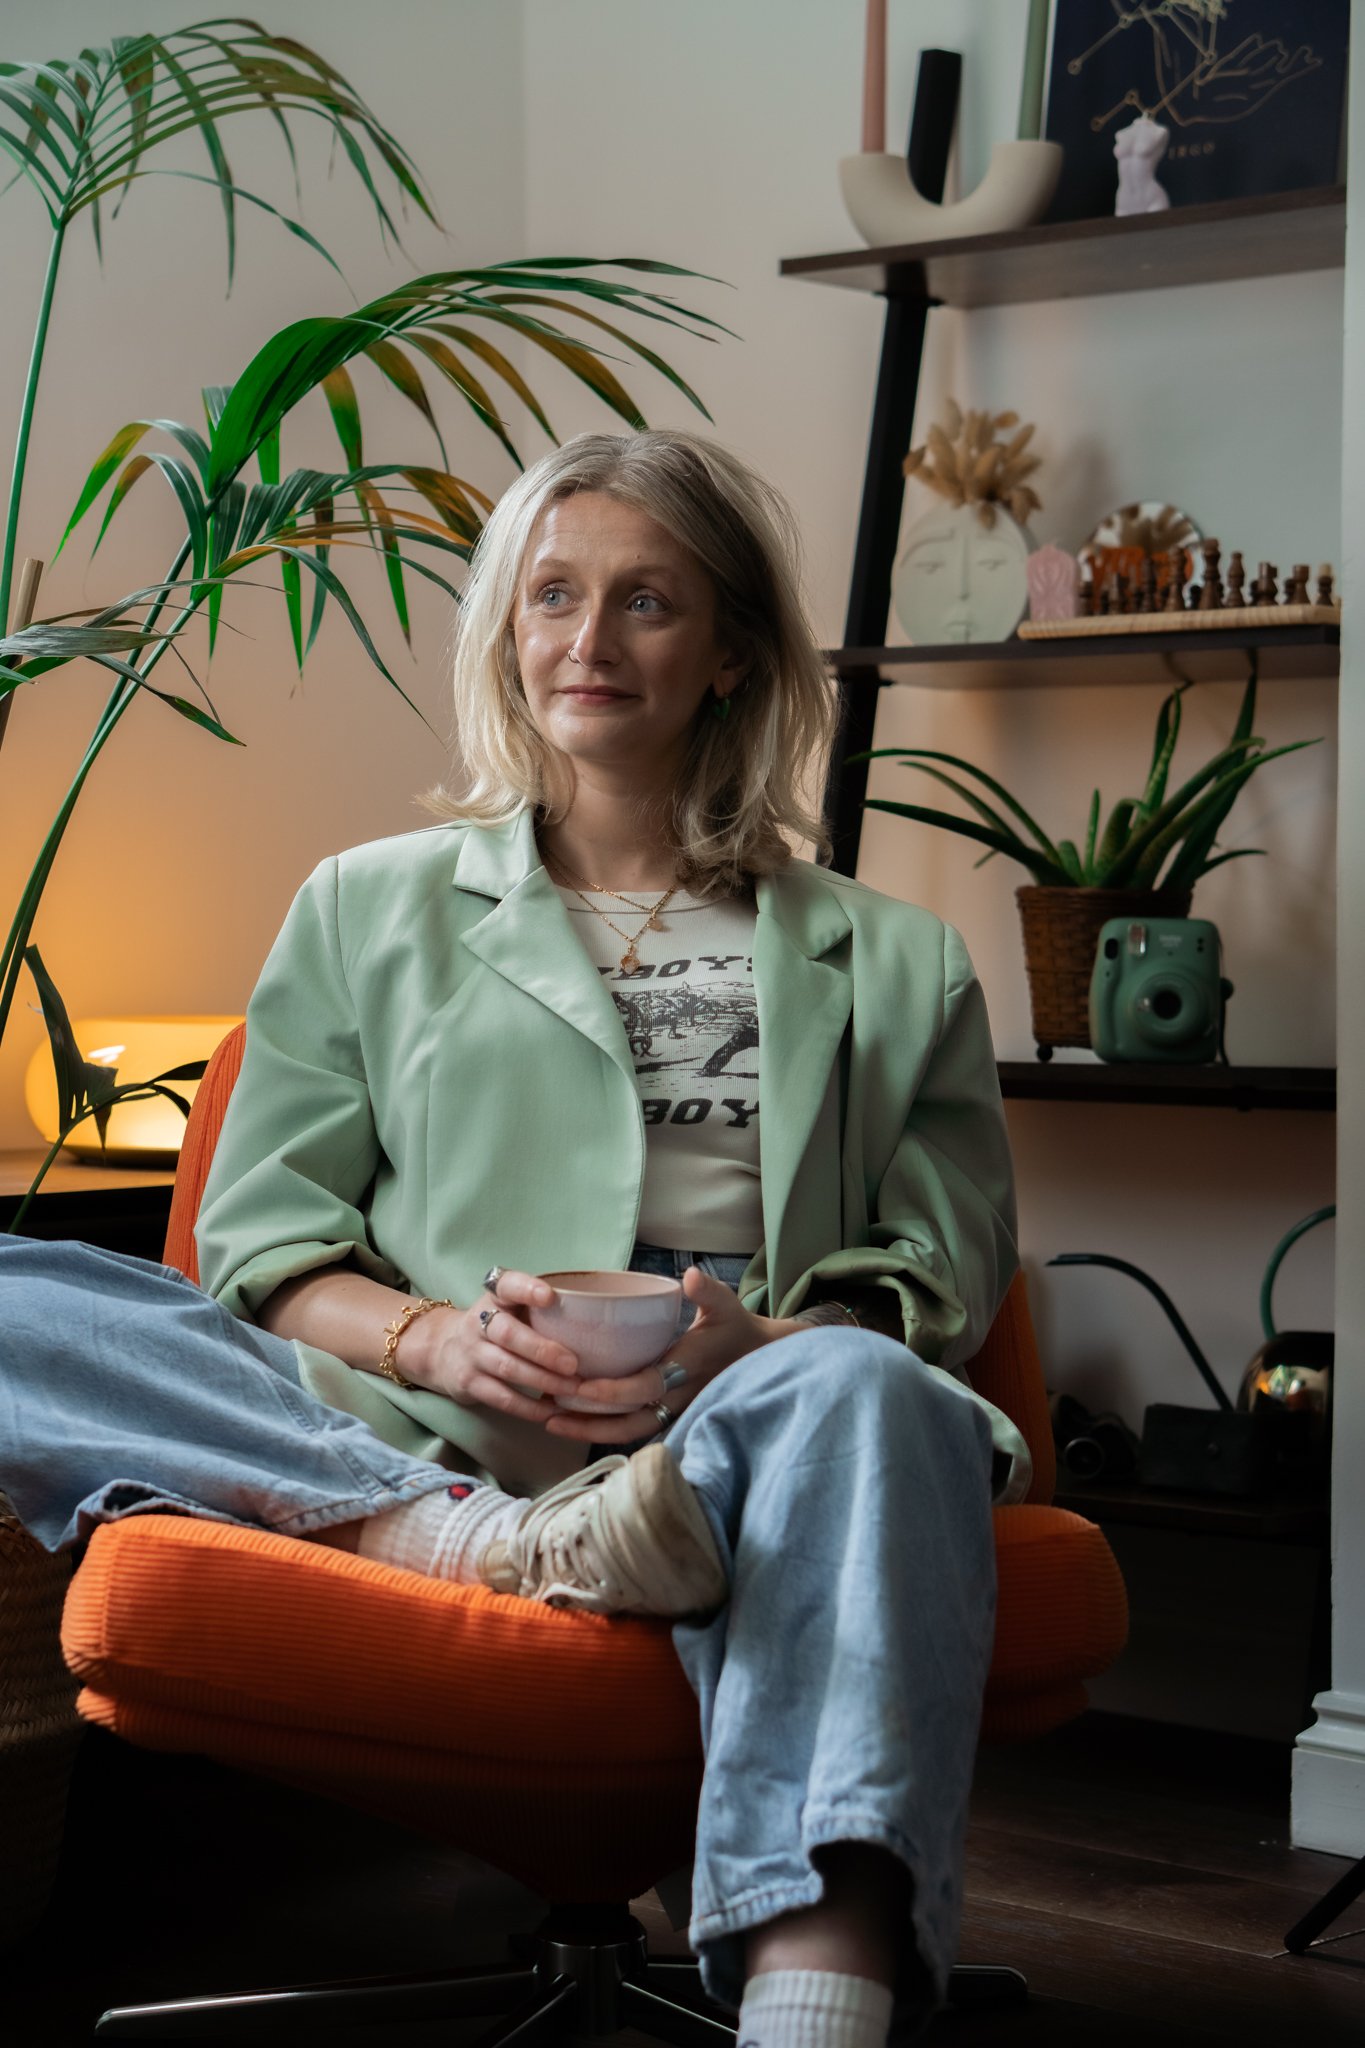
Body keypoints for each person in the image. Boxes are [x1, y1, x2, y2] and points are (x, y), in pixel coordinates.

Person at [0, 428, 1029, 2047]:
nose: (589, 639)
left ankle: (816, 1996)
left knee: (865, 1389)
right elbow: (259, 1239)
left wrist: (758, 1349)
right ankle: (479, 1542)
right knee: (15, 1297)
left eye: (644, 601)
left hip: (743, 1442)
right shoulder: (365, 903)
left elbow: (947, 1267)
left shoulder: (897, 963)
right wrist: (428, 1337)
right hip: (416, 1437)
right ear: (507, 629)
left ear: (732, 652)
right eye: (552, 595)